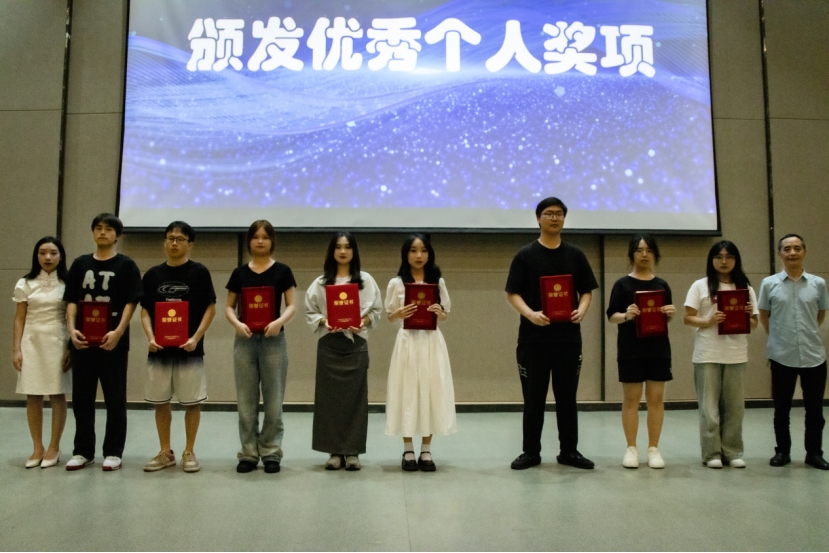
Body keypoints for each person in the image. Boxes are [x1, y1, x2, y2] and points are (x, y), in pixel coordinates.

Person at [505, 197, 599, 470]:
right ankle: (530, 452)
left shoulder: (575, 255)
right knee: (533, 399)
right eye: (549, 213)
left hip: (568, 339)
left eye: (559, 214)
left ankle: (569, 451)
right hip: (533, 340)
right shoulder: (525, 255)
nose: (555, 218)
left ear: (564, 219)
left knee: (567, 398)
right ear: (538, 218)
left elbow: (587, 291)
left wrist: (582, 310)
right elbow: (512, 293)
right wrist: (531, 314)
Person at [63, 213, 143, 471]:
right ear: (92, 232)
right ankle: (83, 451)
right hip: (83, 342)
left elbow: (132, 301)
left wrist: (118, 332)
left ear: (117, 235)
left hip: (113, 342)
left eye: (108, 229)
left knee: (115, 398)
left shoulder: (126, 265)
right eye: (98, 228)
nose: (102, 232)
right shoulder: (80, 264)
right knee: (82, 398)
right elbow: (71, 300)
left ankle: (113, 452)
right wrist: (72, 331)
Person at [140, 221, 216, 473]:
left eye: (180, 239)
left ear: (190, 244)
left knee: (192, 403)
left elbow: (210, 308)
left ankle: (189, 451)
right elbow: (145, 311)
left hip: (189, 350)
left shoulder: (199, 272)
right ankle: (166, 452)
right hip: (159, 351)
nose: (174, 243)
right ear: (164, 242)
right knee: (161, 402)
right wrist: (150, 337)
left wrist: (196, 338)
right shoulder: (153, 275)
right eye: (170, 238)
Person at [305, 232, 382, 471]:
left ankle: (352, 452)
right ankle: (334, 452)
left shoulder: (366, 281)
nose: (342, 251)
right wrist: (324, 321)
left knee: (355, 400)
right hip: (329, 344)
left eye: (347, 247)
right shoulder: (320, 283)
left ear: (354, 251)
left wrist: (363, 321)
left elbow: (376, 311)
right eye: (338, 247)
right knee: (329, 400)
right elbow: (310, 311)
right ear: (332, 251)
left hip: (355, 345)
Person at [225, 220, 296, 474]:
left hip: (273, 341)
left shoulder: (283, 271)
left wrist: (278, 322)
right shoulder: (239, 273)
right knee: (246, 402)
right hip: (244, 341)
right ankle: (248, 453)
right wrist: (237, 324)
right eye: (255, 237)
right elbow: (229, 307)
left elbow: (291, 305)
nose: (260, 241)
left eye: (265, 237)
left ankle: (271, 452)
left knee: (274, 402)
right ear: (249, 241)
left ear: (272, 241)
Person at [684, 240, 758, 468]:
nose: (724, 261)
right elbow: (688, 318)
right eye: (719, 257)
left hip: (736, 354)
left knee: (735, 408)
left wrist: (746, 316)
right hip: (708, 353)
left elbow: (754, 323)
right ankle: (712, 454)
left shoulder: (746, 288)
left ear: (736, 260)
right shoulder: (700, 285)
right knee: (709, 410)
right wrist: (708, 321)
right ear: (711, 260)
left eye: (729, 257)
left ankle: (733, 452)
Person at [385, 234, 456, 472]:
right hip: (407, 342)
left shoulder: (437, 282)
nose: (419, 256)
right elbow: (390, 316)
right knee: (407, 391)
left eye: (424, 251)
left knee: (431, 390)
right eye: (413, 251)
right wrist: (399, 314)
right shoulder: (397, 283)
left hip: (431, 341)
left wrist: (439, 312)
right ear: (406, 254)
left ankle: (426, 449)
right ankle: (408, 449)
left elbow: (445, 315)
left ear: (429, 254)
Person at [758, 233, 829, 470]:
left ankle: (814, 453)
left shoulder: (818, 283)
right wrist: (780, 337)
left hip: (813, 355)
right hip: (781, 355)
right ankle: (782, 452)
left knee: (815, 411)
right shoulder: (769, 284)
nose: (792, 253)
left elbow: (820, 315)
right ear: (779, 253)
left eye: (797, 248)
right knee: (782, 410)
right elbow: (764, 316)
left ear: (804, 252)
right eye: (787, 249)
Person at [606, 234, 675, 469]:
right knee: (631, 399)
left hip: (658, 349)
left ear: (655, 254)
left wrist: (670, 314)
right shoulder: (622, 284)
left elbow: (665, 317)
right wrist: (626, 315)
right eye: (639, 250)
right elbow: (611, 316)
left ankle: (653, 448)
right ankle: (631, 448)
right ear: (632, 254)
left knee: (656, 399)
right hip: (630, 349)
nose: (644, 255)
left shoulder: (662, 285)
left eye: (648, 250)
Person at [12, 237, 72, 469]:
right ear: (36, 256)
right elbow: (19, 319)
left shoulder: (68, 282)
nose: (48, 257)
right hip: (31, 341)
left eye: (53, 253)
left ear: (61, 256)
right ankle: (37, 447)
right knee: (33, 395)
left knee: (57, 394)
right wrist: (16, 349)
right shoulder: (24, 283)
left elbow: (72, 317)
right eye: (42, 253)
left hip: (58, 340)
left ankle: (54, 447)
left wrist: (71, 347)